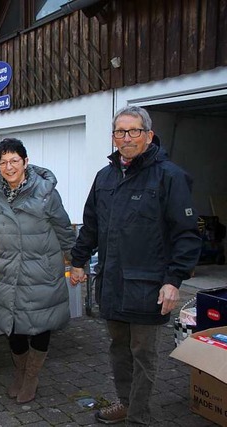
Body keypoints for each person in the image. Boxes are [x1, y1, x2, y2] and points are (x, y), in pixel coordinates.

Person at [70, 106, 202, 425]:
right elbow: (91, 225)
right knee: (119, 348)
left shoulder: (170, 176)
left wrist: (174, 281)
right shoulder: (105, 177)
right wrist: (78, 261)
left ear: (148, 135)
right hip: (112, 283)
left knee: (143, 354)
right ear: (113, 137)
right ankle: (126, 402)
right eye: (119, 131)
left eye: (133, 131)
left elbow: (187, 235)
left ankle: (139, 417)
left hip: (148, 288)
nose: (126, 138)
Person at [0, 138, 76, 404]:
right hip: (8, 271)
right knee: (14, 327)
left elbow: (65, 228)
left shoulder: (45, 193)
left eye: (14, 161)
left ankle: (32, 377)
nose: (9, 167)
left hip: (41, 270)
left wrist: (77, 262)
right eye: (3, 162)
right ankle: (20, 372)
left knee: (41, 325)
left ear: (25, 162)